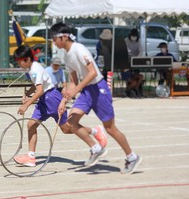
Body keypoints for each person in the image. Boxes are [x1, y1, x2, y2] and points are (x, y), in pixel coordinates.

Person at [51, 22, 141, 174]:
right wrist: (63, 101)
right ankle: (96, 148)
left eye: (55, 38)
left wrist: (76, 90)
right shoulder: (66, 56)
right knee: (70, 123)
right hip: (86, 91)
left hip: (99, 89)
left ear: (64, 37)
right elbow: (73, 81)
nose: (53, 42)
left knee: (110, 129)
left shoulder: (78, 49)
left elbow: (92, 73)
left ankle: (132, 157)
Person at [12, 45, 107, 167]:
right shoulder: (31, 69)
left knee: (67, 128)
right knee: (31, 125)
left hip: (51, 99)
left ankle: (95, 131)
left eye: (19, 62)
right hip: (44, 100)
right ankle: (31, 157)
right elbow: (36, 86)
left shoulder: (35, 69)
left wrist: (27, 104)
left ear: (27, 59)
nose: (18, 64)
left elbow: (40, 89)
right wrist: (27, 94)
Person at [124, 28, 144, 97]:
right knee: (130, 78)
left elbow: (141, 51)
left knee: (139, 76)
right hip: (127, 60)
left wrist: (138, 57)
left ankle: (137, 88)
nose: (134, 37)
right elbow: (124, 50)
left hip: (136, 60)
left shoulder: (138, 41)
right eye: (132, 36)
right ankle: (129, 90)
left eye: (135, 36)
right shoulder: (126, 40)